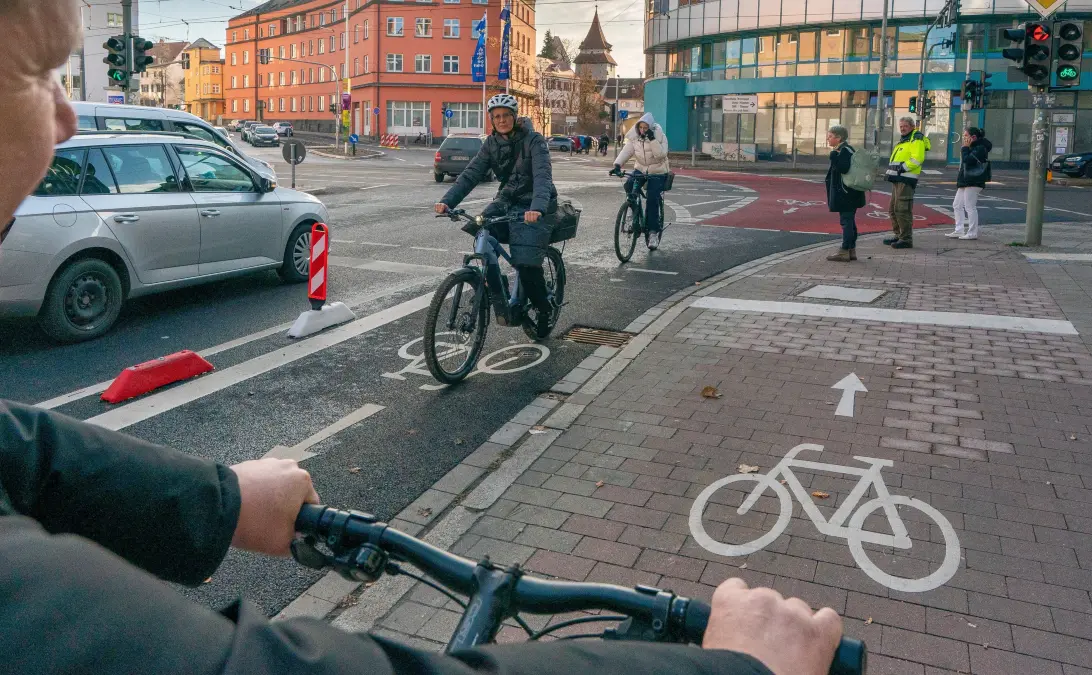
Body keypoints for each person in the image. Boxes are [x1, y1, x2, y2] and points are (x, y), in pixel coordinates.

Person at [1, 4, 845, 673]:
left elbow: (18, 448)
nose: (71, 118)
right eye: (41, 73)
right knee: (480, 237)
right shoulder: (491, 139)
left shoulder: (538, 144)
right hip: (498, 202)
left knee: (517, 243)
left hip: (534, 213)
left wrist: (217, 499)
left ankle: (527, 297)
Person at [434, 94, 559, 338]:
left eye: (506, 115)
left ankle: (544, 309)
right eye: (497, 117)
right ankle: (496, 281)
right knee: (479, 227)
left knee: (526, 263)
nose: (502, 120)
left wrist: (538, 208)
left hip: (535, 204)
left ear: (515, 117)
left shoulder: (535, 142)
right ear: (492, 120)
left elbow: (543, 178)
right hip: (507, 201)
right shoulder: (491, 144)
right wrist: (447, 202)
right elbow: (470, 175)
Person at [610, 113, 670, 250]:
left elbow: (661, 155)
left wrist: (652, 139)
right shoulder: (635, 138)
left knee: (652, 198)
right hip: (641, 169)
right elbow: (627, 151)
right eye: (641, 128)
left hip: (658, 171)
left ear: (650, 128)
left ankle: (653, 233)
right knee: (629, 184)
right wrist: (617, 165)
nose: (642, 130)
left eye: (645, 128)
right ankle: (632, 210)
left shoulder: (660, 136)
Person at [823, 126, 866, 262]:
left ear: (838, 138)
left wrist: (833, 156)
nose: (828, 138)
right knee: (849, 221)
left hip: (846, 194)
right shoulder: (847, 149)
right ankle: (851, 250)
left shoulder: (844, 151)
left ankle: (845, 250)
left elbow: (843, 168)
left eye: (830, 136)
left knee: (846, 221)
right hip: (850, 193)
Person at [883, 116, 926, 249]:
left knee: (902, 210)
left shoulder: (916, 139)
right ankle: (899, 235)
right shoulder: (904, 140)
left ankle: (906, 239)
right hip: (898, 179)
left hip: (906, 179)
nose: (902, 128)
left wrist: (902, 168)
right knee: (893, 209)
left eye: (905, 126)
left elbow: (917, 158)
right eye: (901, 126)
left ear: (912, 126)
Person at [950, 127, 991, 240]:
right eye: (963, 136)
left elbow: (967, 160)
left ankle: (972, 232)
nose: (964, 138)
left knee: (970, 206)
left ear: (973, 137)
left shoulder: (980, 148)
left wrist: (964, 148)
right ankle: (959, 230)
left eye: (966, 136)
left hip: (974, 180)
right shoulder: (973, 147)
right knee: (957, 205)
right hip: (965, 180)